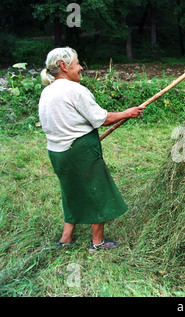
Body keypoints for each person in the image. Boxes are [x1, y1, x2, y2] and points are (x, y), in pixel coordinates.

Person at [38, 47, 144, 253]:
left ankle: (66, 238)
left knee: (71, 191)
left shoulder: (47, 91)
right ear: (63, 66)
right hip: (80, 151)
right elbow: (102, 119)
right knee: (97, 190)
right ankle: (98, 243)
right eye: (77, 63)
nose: (80, 68)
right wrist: (128, 113)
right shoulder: (74, 90)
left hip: (57, 152)